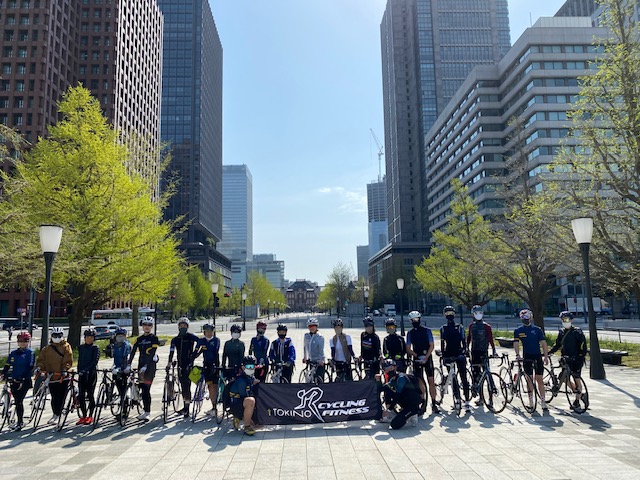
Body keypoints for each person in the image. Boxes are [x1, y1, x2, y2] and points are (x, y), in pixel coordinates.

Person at [549, 311, 588, 409]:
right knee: (564, 377)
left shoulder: (577, 332)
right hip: (565, 359)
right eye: (562, 320)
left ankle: (577, 400)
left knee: (576, 378)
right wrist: (550, 352)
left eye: (566, 319)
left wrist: (580, 356)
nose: (564, 321)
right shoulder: (562, 332)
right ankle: (579, 393)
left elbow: (583, 346)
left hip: (576, 359)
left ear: (571, 320)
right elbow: (558, 344)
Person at [513, 308, 550, 411]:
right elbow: (516, 343)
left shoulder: (537, 329)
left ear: (531, 318)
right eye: (523, 318)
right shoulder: (518, 330)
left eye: (527, 318)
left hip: (537, 356)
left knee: (539, 379)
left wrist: (546, 356)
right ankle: (531, 401)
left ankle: (543, 401)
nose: (526, 320)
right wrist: (517, 354)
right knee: (529, 380)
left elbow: (543, 343)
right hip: (527, 357)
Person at [36, 326, 73, 425]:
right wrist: (39, 368)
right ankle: (55, 414)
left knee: (61, 397)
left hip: (62, 376)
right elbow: (41, 360)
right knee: (54, 396)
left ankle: (59, 413)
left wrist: (65, 369)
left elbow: (68, 359)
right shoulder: (46, 349)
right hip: (51, 376)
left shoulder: (66, 346)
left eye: (59, 335)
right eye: (55, 335)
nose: (57, 337)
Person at [1, 331, 35, 430]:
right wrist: (3, 374)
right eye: (20, 341)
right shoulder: (13, 353)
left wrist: (23, 377)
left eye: (25, 341)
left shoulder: (30, 353)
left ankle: (20, 422)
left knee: (19, 401)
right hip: (14, 380)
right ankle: (11, 414)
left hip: (24, 380)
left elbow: (31, 366)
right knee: (16, 400)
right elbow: (7, 365)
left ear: (28, 342)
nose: (22, 343)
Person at [128, 316, 160, 421]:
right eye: (145, 324)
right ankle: (143, 408)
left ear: (152, 326)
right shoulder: (139, 339)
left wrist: (146, 366)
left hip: (150, 367)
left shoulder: (154, 338)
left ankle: (147, 412)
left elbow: (153, 353)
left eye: (149, 325)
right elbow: (133, 352)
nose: (147, 327)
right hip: (140, 366)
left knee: (146, 389)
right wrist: (129, 363)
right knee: (142, 388)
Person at [406, 310, 438, 413]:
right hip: (417, 359)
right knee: (419, 382)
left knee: (431, 381)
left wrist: (426, 357)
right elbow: (408, 348)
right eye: (413, 320)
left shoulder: (427, 331)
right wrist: (416, 356)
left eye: (417, 319)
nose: (415, 321)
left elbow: (432, 345)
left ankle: (434, 402)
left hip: (427, 358)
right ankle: (422, 401)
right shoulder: (410, 333)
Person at [440, 308, 471, 411]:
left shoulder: (459, 327)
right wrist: (443, 355)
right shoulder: (443, 328)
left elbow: (464, 341)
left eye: (451, 313)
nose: (449, 315)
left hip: (458, 353)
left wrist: (465, 351)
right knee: (453, 378)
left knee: (463, 377)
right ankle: (458, 399)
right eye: (447, 313)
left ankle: (466, 401)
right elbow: (442, 344)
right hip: (450, 354)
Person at [168, 317, 199, 418]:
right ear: (178, 327)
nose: (182, 327)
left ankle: (187, 408)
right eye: (181, 326)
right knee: (182, 386)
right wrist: (169, 362)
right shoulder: (175, 340)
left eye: (184, 326)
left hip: (189, 364)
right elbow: (171, 352)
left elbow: (201, 342)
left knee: (187, 385)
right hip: (180, 365)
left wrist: (195, 354)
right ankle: (185, 406)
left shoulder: (191, 337)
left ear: (187, 327)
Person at [466, 305, 498, 405]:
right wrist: (466, 349)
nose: (478, 315)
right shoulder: (471, 326)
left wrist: (494, 350)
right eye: (476, 313)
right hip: (474, 352)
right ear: (473, 315)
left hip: (484, 352)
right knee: (476, 374)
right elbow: (469, 338)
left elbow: (490, 338)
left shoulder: (487, 326)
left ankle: (490, 398)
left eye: (480, 313)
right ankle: (480, 397)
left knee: (487, 374)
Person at [377, 359, 421, 429]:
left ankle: (413, 414)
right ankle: (393, 414)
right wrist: (377, 381)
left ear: (395, 368)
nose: (389, 370)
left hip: (412, 404)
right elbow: (383, 387)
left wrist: (388, 410)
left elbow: (397, 396)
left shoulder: (401, 378)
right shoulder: (393, 379)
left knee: (394, 425)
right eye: (386, 369)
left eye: (391, 368)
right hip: (404, 400)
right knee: (387, 388)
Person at [191, 323, 221, 416]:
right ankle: (213, 406)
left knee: (214, 386)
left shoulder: (216, 340)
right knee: (210, 386)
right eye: (207, 332)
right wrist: (191, 361)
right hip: (206, 365)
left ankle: (215, 406)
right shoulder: (201, 341)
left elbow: (216, 352)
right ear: (204, 332)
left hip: (215, 365)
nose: (209, 333)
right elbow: (195, 352)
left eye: (210, 332)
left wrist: (216, 367)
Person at [228, 355, 260, 436]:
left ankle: (238, 419)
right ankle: (246, 426)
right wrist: (253, 385)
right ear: (243, 367)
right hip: (236, 405)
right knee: (250, 401)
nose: (251, 368)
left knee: (259, 425)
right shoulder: (241, 380)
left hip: (242, 402)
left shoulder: (250, 377)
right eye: (248, 366)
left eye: (253, 366)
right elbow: (244, 396)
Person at [76, 328, 100, 425]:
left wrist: (87, 370)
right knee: (81, 395)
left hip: (91, 374)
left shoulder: (95, 348)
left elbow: (95, 361)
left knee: (90, 394)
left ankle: (90, 415)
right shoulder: (81, 348)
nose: (89, 339)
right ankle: (84, 415)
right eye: (87, 337)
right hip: (82, 374)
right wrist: (79, 370)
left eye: (91, 337)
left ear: (94, 338)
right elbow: (79, 360)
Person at [111, 327, 131, 404]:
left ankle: (125, 404)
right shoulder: (115, 345)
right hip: (116, 367)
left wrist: (125, 368)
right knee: (117, 382)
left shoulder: (126, 345)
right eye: (118, 336)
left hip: (124, 368)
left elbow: (126, 357)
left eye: (122, 336)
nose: (120, 338)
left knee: (123, 388)